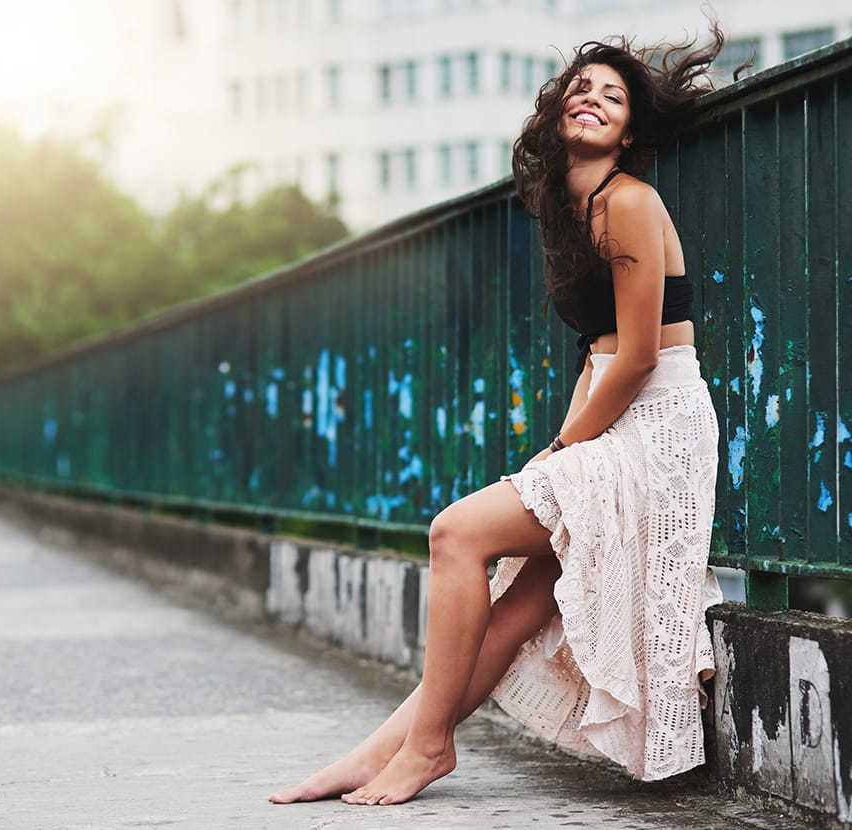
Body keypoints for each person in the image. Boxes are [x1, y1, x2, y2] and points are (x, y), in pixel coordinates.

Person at [270, 26, 726, 807]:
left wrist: (563, 448)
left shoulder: (628, 202)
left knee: (457, 532)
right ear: (554, 116)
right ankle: (386, 750)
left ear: (629, 131)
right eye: (581, 88)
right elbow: (599, 350)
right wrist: (573, 434)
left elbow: (643, 356)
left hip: (660, 431)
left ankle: (429, 745)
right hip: (616, 413)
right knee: (516, 608)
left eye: (613, 97)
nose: (593, 98)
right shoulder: (571, 211)